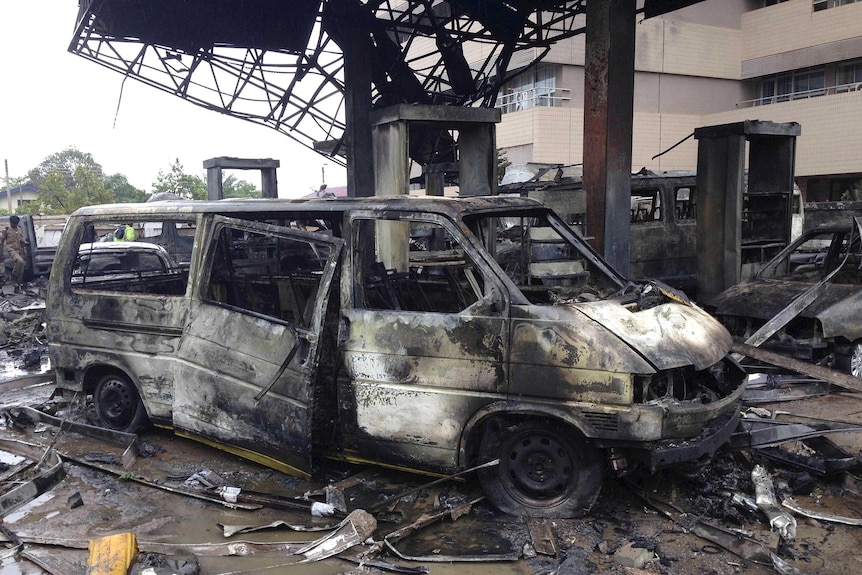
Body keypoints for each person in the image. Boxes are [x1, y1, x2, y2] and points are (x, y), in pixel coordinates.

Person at [1, 215, 28, 292]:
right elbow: (2, 241)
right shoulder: (6, 230)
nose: (15, 225)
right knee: (20, 261)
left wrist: (24, 243)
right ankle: (13, 275)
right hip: (11, 249)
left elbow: (20, 240)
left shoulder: (19, 229)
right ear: (10, 222)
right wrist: (1, 253)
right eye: (13, 223)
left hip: (20, 249)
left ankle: (17, 286)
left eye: (16, 224)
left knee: (21, 268)